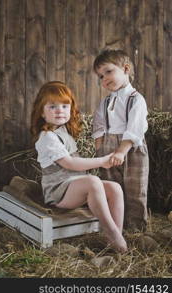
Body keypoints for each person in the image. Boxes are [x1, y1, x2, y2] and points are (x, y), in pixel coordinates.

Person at [30, 80, 127, 253]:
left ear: (71, 109)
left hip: (73, 185)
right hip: (58, 191)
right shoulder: (47, 137)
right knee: (93, 181)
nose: (60, 110)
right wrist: (102, 161)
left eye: (64, 106)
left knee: (115, 188)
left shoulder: (63, 132)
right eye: (52, 106)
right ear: (42, 113)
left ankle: (114, 235)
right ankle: (111, 231)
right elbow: (70, 163)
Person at [92, 48, 149, 232]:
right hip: (108, 147)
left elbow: (135, 128)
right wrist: (100, 151)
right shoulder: (105, 102)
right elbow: (99, 125)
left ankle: (136, 229)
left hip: (130, 148)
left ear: (125, 69)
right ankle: (116, 225)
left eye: (108, 72)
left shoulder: (136, 99)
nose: (104, 79)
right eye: (100, 76)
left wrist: (122, 151)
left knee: (135, 188)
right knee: (111, 186)